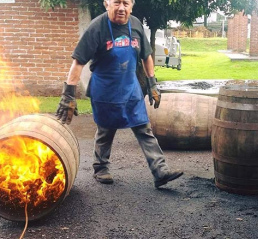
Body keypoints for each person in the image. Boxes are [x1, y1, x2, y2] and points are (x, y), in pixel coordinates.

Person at [55, 0, 183, 188]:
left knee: (144, 128)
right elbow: (78, 62)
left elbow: (146, 56)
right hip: (105, 90)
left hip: (130, 88)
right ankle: (101, 168)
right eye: (117, 2)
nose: (122, 8)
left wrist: (152, 84)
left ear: (132, 5)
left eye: (126, 3)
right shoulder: (97, 27)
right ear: (106, 3)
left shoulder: (136, 24)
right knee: (106, 129)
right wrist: (68, 94)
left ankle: (160, 171)